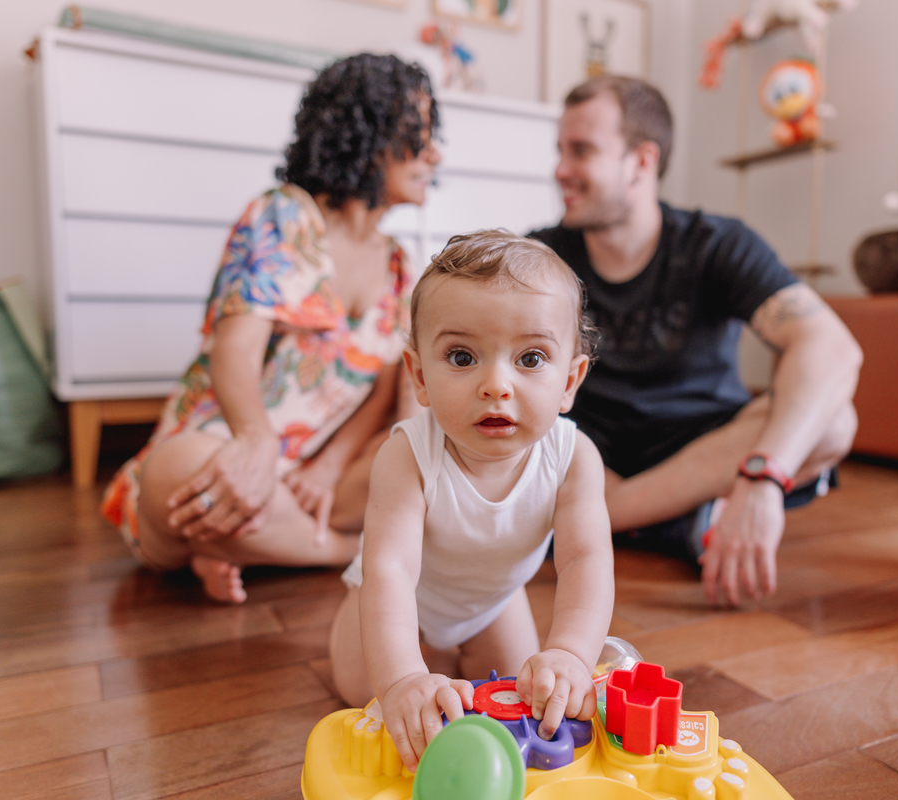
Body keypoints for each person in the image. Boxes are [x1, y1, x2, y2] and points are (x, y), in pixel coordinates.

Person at [101, 54, 441, 604]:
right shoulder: (282, 216)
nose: (434, 153)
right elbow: (235, 348)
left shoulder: (402, 267)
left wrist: (329, 467)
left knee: (419, 463)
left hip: (312, 485)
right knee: (174, 472)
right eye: (417, 133)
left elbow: (385, 391)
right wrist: (255, 442)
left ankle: (245, 543)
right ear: (366, 130)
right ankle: (340, 551)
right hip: (226, 452)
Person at [530, 76, 862, 607]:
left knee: (835, 421)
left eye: (581, 151)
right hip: (587, 458)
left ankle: (602, 520)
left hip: (702, 451)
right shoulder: (541, 257)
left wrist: (762, 477)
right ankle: (676, 520)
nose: (560, 170)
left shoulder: (717, 244)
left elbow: (832, 348)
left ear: (642, 161)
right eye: (559, 151)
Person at [327, 231, 614, 769]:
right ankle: (414, 662)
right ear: (419, 376)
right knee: (364, 695)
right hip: (399, 604)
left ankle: (449, 659)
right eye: (462, 357)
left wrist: (570, 653)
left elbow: (586, 561)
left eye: (531, 358)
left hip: (491, 604)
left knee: (526, 700)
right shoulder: (406, 456)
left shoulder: (574, 459)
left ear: (570, 381)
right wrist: (401, 679)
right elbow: (389, 571)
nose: (496, 385)